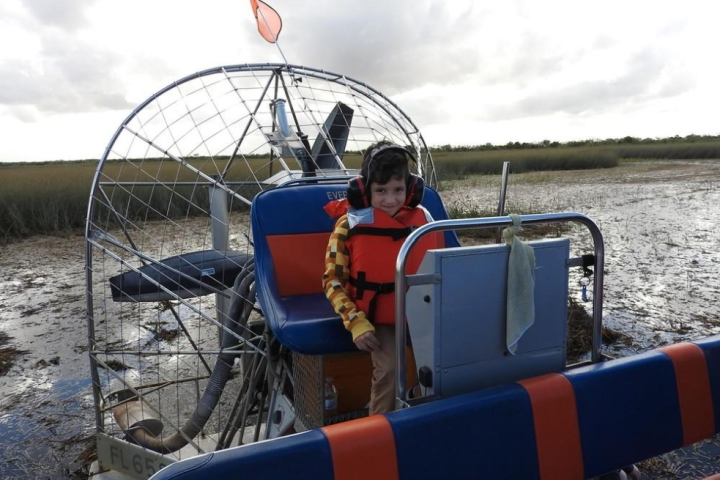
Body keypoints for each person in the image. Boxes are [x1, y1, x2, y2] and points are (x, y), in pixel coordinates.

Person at [322, 140, 442, 415]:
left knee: (448, 358)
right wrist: (355, 322)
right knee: (389, 369)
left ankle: (435, 417)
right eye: (381, 191)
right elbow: (332, 280)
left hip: (421, 311)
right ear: (363, 191)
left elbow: (442, 270)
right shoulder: (347, 226)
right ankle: (379, 431)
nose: (390, 199)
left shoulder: (424, 220)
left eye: (398, 190)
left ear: (411, 189)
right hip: (377, 318)